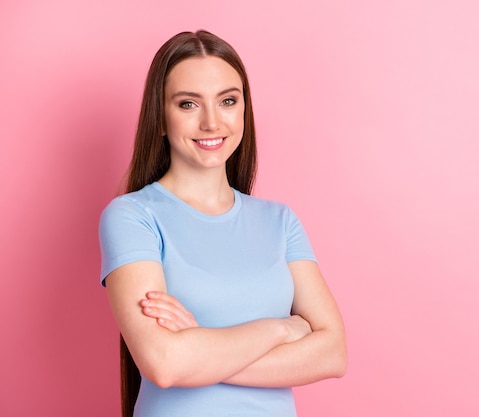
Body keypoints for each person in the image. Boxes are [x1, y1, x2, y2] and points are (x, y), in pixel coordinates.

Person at [98, 30, 347, 417]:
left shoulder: (280, 221)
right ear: (160, 118)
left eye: (227, 101)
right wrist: (280, 330)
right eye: (188, 104)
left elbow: (333, 354)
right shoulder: (132, 216)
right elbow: (164, 363)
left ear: (243, 110)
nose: (212, 122)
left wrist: (199, 350)